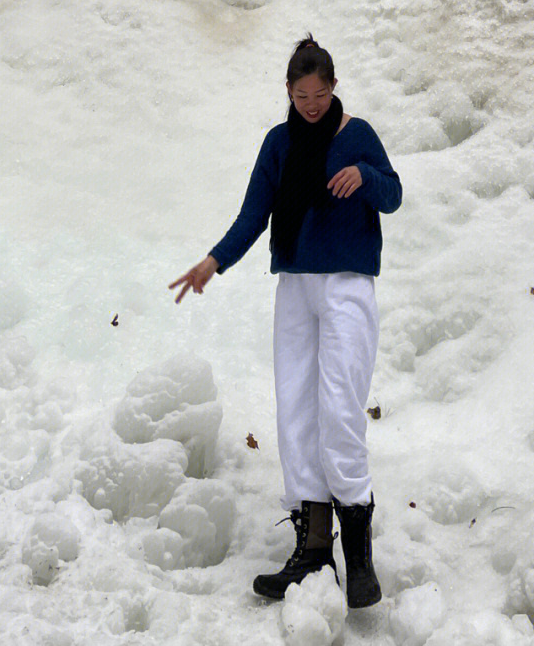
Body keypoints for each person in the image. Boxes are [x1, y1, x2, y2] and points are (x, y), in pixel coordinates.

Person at [169, 34, 402, 609]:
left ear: (334, 87)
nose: (312, 105)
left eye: (320, 94)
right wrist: (213, 261)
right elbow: (254, 212)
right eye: (301, 95)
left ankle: (360, 557)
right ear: (289, 92)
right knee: (296, 407)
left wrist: (364, 179)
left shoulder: (358, 135)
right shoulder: (278, 144)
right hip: (295, 286)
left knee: (340, 406)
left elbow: (393, 194)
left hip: (348, 283)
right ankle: (313, 550)